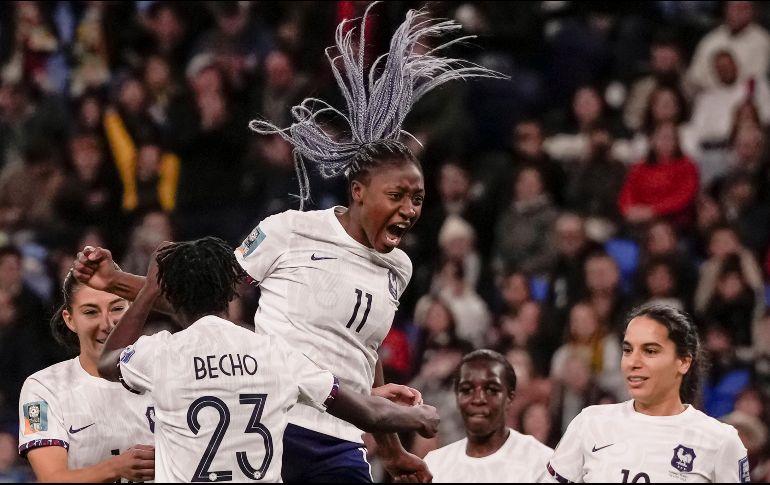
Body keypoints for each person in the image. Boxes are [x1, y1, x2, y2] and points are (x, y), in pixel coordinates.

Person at [74, 4, 503, 482]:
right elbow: (206, 300)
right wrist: (117, 282)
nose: (410, 209)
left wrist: (392, 450)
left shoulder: (398, 267)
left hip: (342, 436)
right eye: (397, 195)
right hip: (276, 424)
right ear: (358, 192)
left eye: (418, 198)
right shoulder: (291, 230)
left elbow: (365, 354)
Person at [97, 237, 440, 483]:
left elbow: (107, 361)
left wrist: (148, 292)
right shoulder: (275, 354)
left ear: (172, 298)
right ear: (231, 295)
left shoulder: (162, 354)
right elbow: (365, 412)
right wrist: (415, 417)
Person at [544, 304, 749, 483]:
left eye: (650, 351)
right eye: (627, 350)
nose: (633, 362)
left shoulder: (719, 440)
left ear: (684, 362)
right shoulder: (591, 423)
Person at [17, 270, 155, 482]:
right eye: (91, 312)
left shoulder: (163, 376)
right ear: (70, 320)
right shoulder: (42, 388)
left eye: (117, 308)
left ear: (132, 310)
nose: (107, 324)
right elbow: (52, 478)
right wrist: (117, 467)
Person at [423, 349, 552, 482]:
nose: (478, 399)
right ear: (457, 397)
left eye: (491, 390)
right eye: (467, 390)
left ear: (509, 398)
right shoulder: (435, 464)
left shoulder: (541, 462)